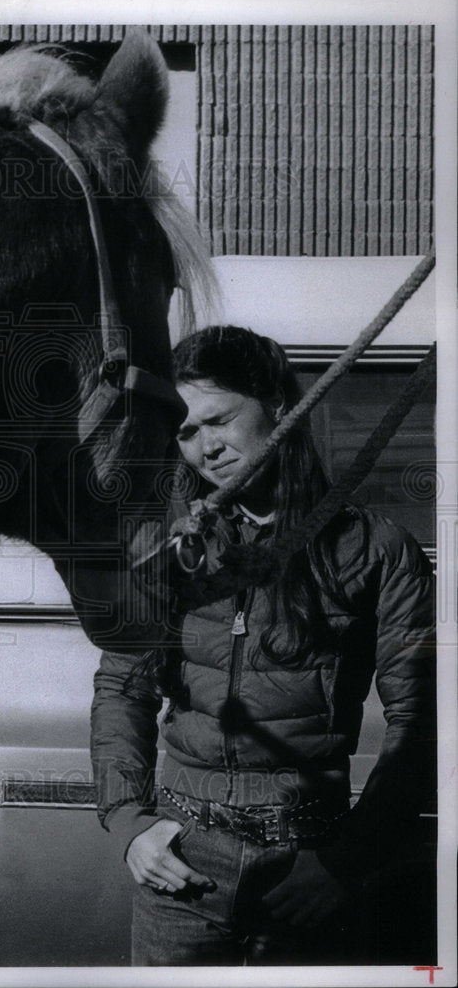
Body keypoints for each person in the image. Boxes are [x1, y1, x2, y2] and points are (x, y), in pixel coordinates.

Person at [90, 325, 437, 966]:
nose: (206, 449)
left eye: (218, 421)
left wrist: (345, 863)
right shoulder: (165, 548)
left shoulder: (376, 549)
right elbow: (122, 686)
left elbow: (423, 722)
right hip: (181, 867)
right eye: (187, 433)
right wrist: (130, 823)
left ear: (279, 405)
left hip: (309, 872)